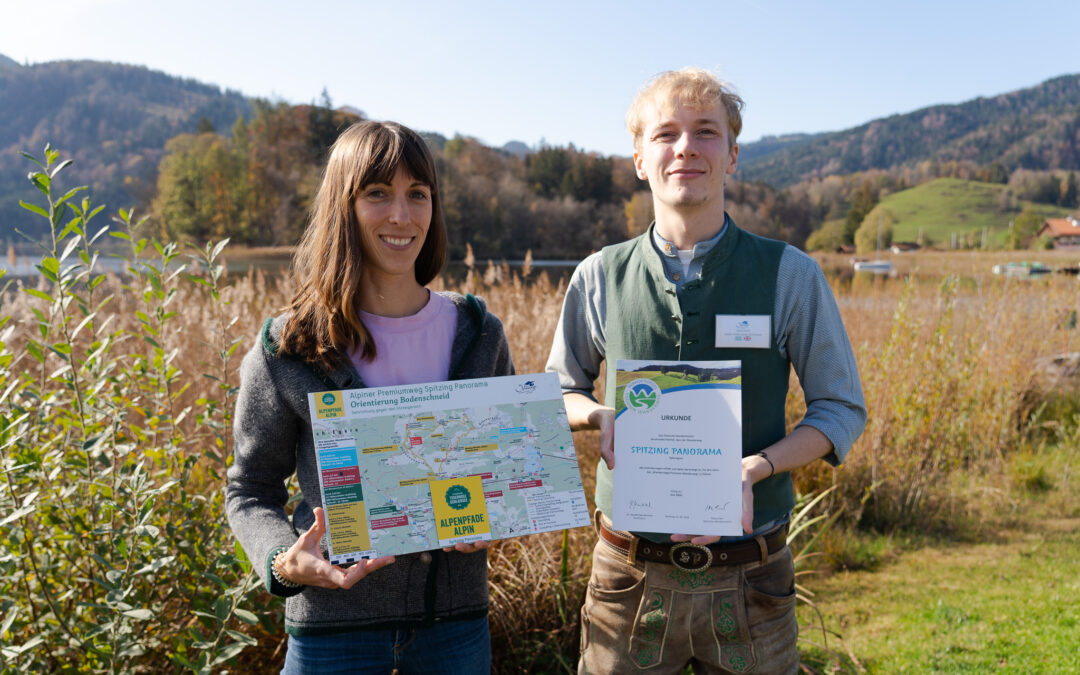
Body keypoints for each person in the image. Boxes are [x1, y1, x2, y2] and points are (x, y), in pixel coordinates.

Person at [546, 68, 867, 673]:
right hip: (628, 574)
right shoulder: (597, 275)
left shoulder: (789, 274)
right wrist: (595, 415)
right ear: (640, 158)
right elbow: (561, 388)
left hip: (752, 577)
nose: (686, 147)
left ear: (733, 155)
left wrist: (759, 466)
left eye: (706, 132)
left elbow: (840, 410)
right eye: (665, 134)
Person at [226, 120, 513, 674]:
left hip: (455, 631)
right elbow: (249, 488)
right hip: (332, 632)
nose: (401, 216)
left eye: (418, 195)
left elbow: (501, 473)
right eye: (377, 194)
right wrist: (283, 563)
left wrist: (493, 517)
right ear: (343, 206)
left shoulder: (479, 334)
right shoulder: (288, 348)